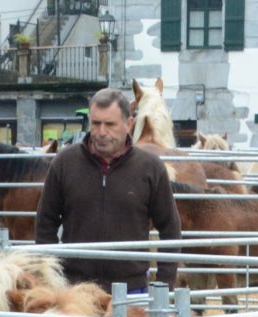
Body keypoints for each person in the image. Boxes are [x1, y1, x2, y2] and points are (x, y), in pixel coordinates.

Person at [35, 87, 180, 299]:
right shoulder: (64, 163)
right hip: (76, 293)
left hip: (132, 291)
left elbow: (170, 228)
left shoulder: (150, 168)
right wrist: (52, 281)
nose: (101, 132)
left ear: (129, 124)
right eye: (95, 123)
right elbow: (45, 225)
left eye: (110, 124)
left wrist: (164, 288)